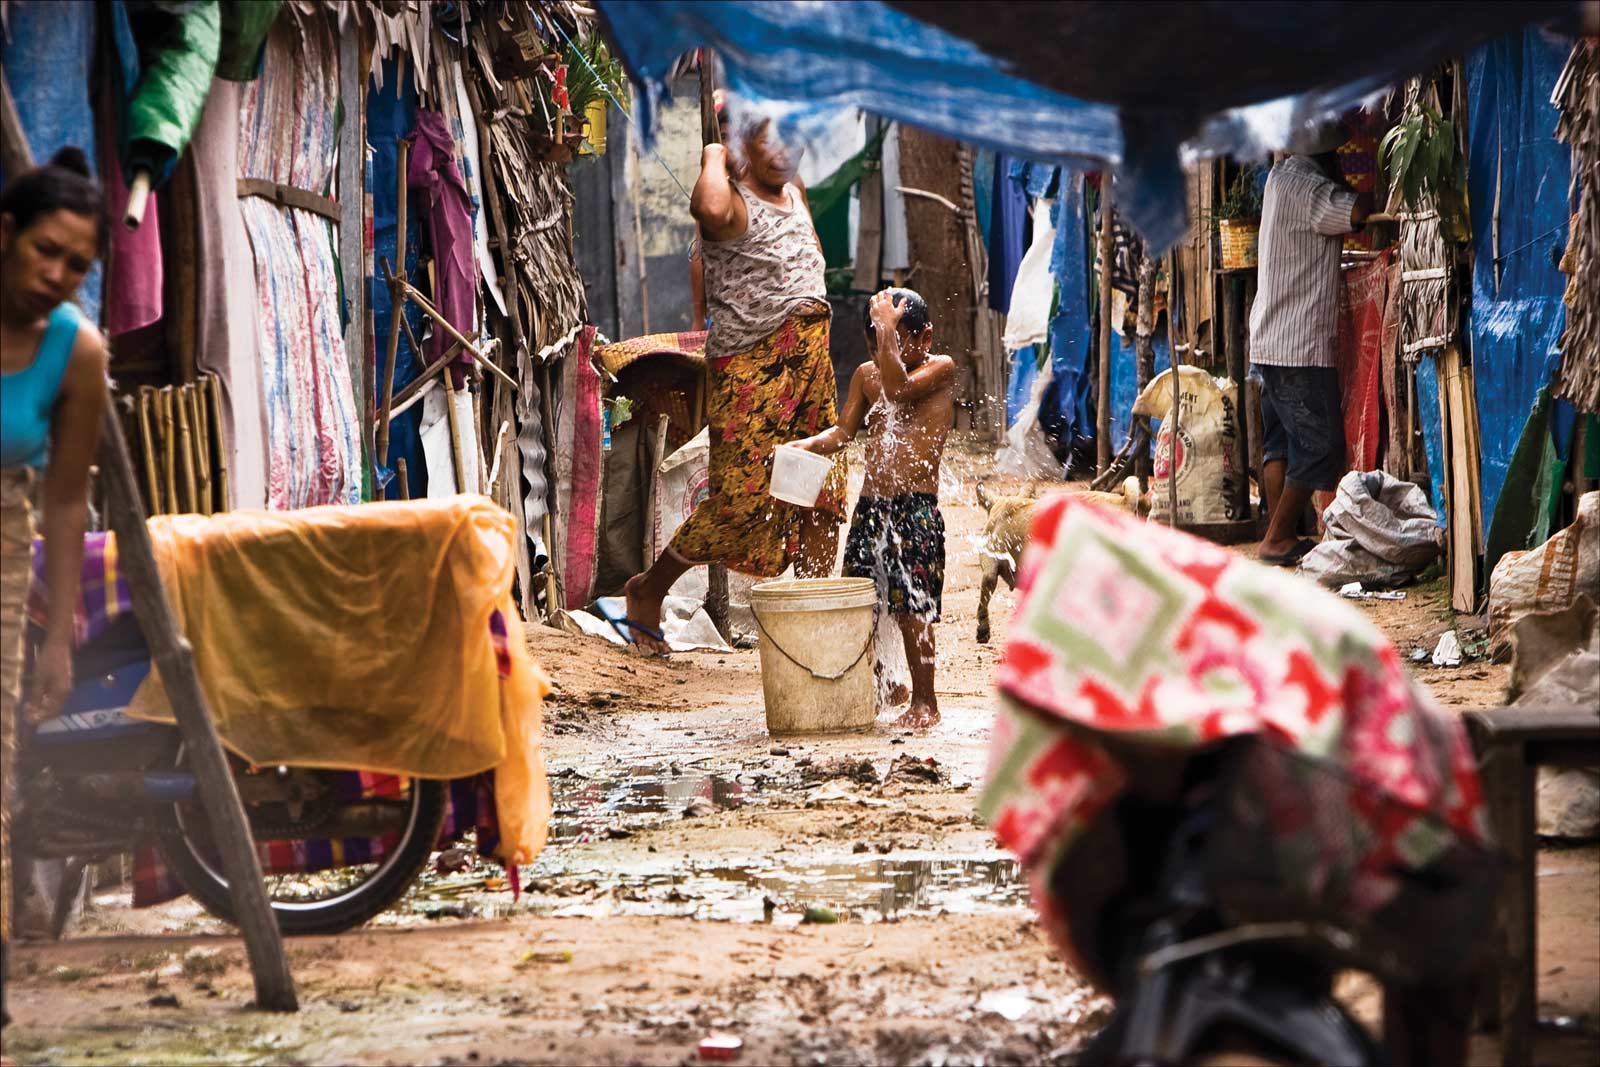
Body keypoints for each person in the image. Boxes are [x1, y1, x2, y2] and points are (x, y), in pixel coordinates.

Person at [624, 112, 844, 653]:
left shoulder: (794, 192)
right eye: (770, 138)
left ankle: (814, 615)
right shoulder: (730, 204)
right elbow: (706, 207)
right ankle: (648, 590)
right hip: (752, 373)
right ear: (743, 143)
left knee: (821, 491)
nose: (786, 150)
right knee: (740, 502)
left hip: (810, 366)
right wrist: (712, 154)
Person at [0, 148, 109, 1028]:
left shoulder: (77, 351)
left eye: (77, 265)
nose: (57, 276)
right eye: (46, 252)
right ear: (6, 234)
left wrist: (56, 640)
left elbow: (66, 500)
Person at [793, 288, 954, 729]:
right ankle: (887, 687)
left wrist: (887, 331)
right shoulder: (866, 376)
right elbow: (843, 431)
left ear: (926, 337)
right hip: (871, 508)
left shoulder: (940, 368)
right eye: (877, 343)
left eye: (896, 342)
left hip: (915, 509)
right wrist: (805, 445)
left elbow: (900, 388)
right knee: (862, 602)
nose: (884, 354)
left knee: (910, 607)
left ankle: (925, 701)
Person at [1247, 121, 1371, 565]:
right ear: (1326, 156)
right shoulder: (1312, 189)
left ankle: (1281, 535)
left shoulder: (1280, 177)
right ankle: (1278, 537)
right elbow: (1357, 212)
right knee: (1320, 446)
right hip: (1299, 343)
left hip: (1269, 338)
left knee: (1280, 444)